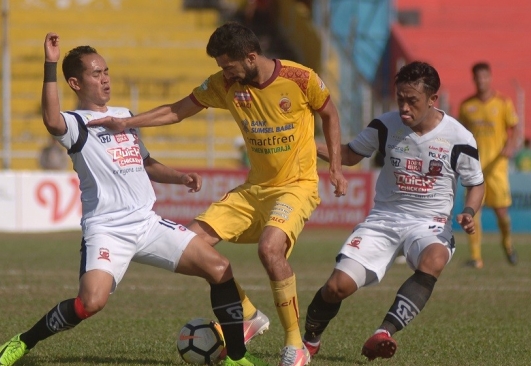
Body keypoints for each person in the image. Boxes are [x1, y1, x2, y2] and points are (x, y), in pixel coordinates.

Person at [0, 33, 267, 366]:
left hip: (147, 223)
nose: (105, 79)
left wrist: (178, 177)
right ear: (75, 83)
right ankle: (24, 341)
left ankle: (237, 356)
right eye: (96, 74)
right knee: (90, 303)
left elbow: (145, 163)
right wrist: (50, 63)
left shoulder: (125, 115)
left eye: (106, 71)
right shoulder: (76, 124)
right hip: (107, 229)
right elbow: (50, 119)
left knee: (219, 268)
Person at [88, 21, 347, 366]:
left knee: (270, 249)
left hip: (296, 186)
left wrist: (336, 167)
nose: (223, 72)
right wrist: (127, 124)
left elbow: (329, 113)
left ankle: (295, 345)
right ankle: (249, 314)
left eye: (227, 65)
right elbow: (178, 110)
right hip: (253, 190)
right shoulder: (225, 84)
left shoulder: (300, 78)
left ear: (251, 57)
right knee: (190, 245)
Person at [300, 61, 485, 361]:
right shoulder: (385, 125)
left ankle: (383, 332)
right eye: (400, 98)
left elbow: (476, 183)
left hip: (430, 223)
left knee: (435, 258)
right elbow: (347, 154)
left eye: (412, 100)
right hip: (383, 220)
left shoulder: (459, 138)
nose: (404, 107)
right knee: (337, 286)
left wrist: (469, 210)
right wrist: (304, 144)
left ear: (432, 99)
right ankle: (310, 339)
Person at [458, 61, 519, 269]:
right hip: (475, 168)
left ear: (490, 77)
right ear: (473, 79)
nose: (482, 80)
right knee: (473, 212)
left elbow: (513, 128)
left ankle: (507, 244)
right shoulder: (467, 106)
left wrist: (509, 146)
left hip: (497, 168)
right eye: (478, 77)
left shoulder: (503, 102)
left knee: (501, 212)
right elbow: (460, 135)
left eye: (485, 76)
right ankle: (476, 258)